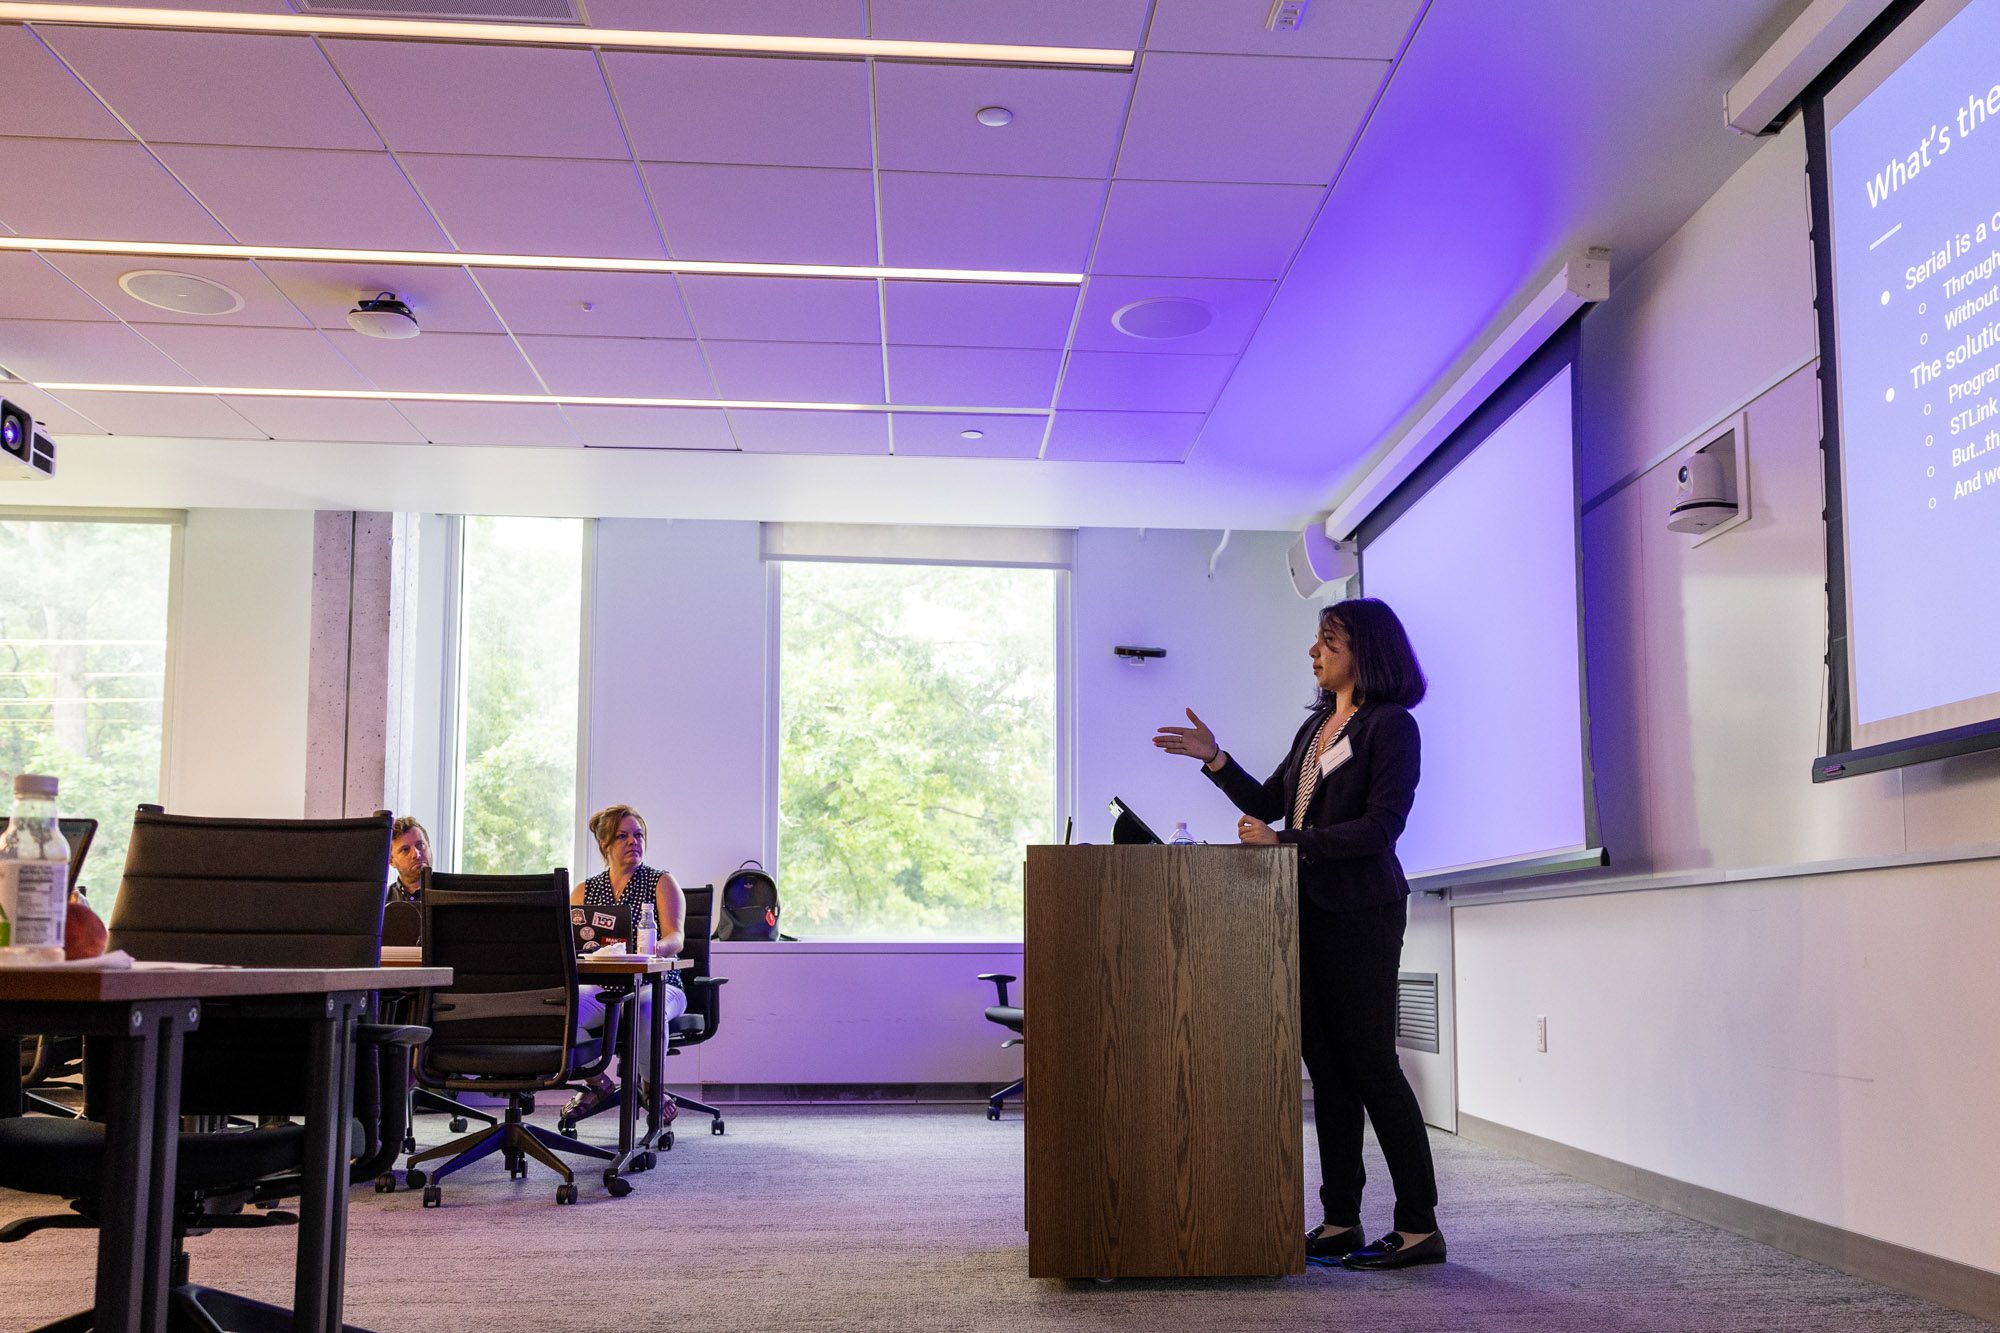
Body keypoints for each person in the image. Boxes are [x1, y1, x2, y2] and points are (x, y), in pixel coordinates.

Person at [1153, 597, 1445, 1271]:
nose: (1314, 653)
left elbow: (1380, 829)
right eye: (1316, 643)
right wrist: (1216, 758)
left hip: (1363, 911)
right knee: (1330, 1072)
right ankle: (1340, 1217)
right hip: (1304, 912)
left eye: (1328, 642)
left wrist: (1286, 839)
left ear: (1364, 651)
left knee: (1371, 1064)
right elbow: (1269, 802)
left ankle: (1418, 1224)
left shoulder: (1390, 726)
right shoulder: (1318, 728)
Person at [563, 803, 690, 1120]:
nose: (634, 841)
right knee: (562, 1006)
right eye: (623, 836)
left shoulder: (660, 882)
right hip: (603, 987)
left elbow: (677, 938)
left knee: (645, 1007)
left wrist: (654, 950)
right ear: (605, 845)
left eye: (639, 835)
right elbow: (571, 943)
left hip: (658, 983)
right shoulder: (584, 890)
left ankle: (652, 1088)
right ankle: (595, 1081)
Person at [387, 816, 430, 902]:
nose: (416, 854)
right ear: (391, 861)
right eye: (405, 849)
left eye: (420, 845)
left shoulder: (450, 895)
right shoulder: (380, 902)